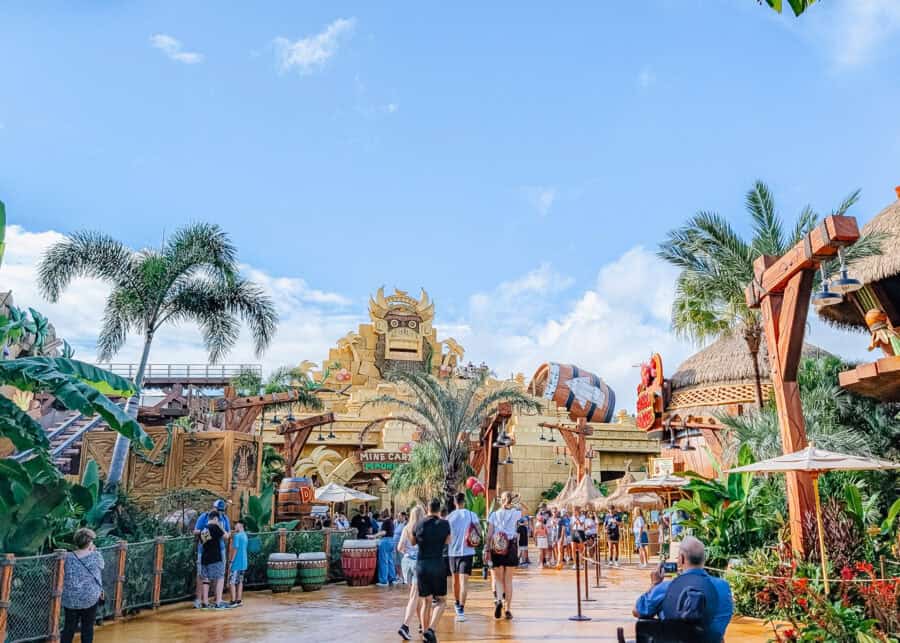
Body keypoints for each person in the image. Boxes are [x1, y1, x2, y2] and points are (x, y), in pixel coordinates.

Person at [633, 536, 734, 643]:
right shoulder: (724, 587)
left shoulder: (666, 588)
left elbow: (638, 611)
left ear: (681, 558)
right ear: (704, 559)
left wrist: (654, 584)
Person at [412, 498, 451, 643]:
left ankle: (425, 633)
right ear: (438, 509)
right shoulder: (444, 524)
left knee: (426, 601)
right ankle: (431, 629)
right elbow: (448, 541)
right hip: (438, 564)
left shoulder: (419, 524)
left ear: (427, 509)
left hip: (422, 565)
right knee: (441, 601)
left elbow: (413, 541)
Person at [61, 528, 104, 643]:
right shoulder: (96, 556)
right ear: (89, 542)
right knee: (87, 627)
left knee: (69, 627)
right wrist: (93, 551)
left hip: (71, 598)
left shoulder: (67, 557)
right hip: (89, 597)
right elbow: (101, 566)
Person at [485, 491, 521, 620]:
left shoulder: (494, 515)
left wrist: (487, 550)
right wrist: (517, 501)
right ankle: (508, 609)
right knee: (508, 580)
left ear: (501, 500)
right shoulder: (515, 513)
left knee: (499, 579)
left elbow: (489, 535)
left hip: (497, 546)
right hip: (510, 546)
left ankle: (499, 600)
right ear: (511, 500)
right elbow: (526, 511)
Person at [446, 492, 480, 622]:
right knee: (464, 582)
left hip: (453, 553)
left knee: (455, 581)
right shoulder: (472, 515)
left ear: (454, 502)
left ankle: (456, 602)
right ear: (464, 501)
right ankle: (461, 608)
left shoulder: (450, 517)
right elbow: (478, 531)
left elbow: (446, 535)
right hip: (468, 551)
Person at [193, 499, 230, 608]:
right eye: (219, 510)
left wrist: (208, 531)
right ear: (213, 508)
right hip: (204, 550)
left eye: (222, 510)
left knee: (214, 575)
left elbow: (228, 533)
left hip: (219, 549)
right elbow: (195, 531)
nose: (221, 512)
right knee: (203, 575)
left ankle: (215, 599)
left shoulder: (224, 518)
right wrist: (211, 529)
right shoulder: (204, 517)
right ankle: (199, 599)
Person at [397, 506, 426, 640]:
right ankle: (405, 626)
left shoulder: (406, 528)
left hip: (406, 563)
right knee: (415, 597)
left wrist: (408, 553)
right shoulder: (422, 529)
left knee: (416, 595)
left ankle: (421, 624)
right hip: (417, 563)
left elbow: (399, 547)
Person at [374, 509, 398, 587]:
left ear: (383, 515)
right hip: (391, 541)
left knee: (383, 561)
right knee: (390, 560)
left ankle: (384, 581)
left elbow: (383, 532)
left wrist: (374, 536)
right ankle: (393, 579)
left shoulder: (385, 522)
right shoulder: (391, 522)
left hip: (385, 541)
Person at [228, 520, 248, 607]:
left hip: (236, 563)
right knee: (240, 581)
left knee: (232, 582)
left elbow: (235, 549)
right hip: (243, 562)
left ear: (241, 525)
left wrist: (231, 561)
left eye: (236, 525)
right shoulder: (245, 536)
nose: (235, 526)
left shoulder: (237, 536)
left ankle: (233, 601)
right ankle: (239, 600)